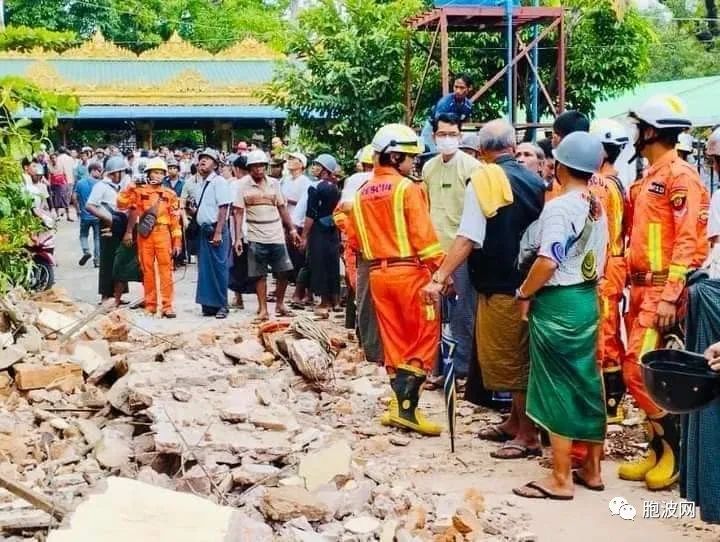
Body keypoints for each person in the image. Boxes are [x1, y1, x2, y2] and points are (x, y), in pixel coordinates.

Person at [421, 119, 545, 458]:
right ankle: (513, 422)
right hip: (527, 280)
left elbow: (469, 236)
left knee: (511, 360)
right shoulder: (535, 180)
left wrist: (440, 275)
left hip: (502, 284)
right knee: (515, 354)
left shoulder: (484, 179)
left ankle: (528, 435)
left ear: (482, 150)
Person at [619, 94, 710, 491]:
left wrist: (672, 294)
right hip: (640, 288)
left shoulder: (680, 177)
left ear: (652, 130)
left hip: (660, 290)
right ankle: (657, 450)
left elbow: (689, 241)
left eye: (639, 126)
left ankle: (672, 450)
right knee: (636, 368)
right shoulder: (648, 178)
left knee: (638, 370)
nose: (635, 133)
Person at [512, 131, 608, 500]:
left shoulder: (559, 207)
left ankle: (561, 477)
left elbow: (548, 260)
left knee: (556, 386)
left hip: (559, 303)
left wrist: (524, 292)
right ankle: (593, 470)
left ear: (560, 166)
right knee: (586, 381)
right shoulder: (597, 205)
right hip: (587, 299)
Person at [346, 123, 445, 436]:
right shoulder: (407, 189)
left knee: (395, 343)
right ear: (395, 156)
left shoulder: (360, 194)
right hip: (409, 274)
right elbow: (424, 237)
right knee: (423, 338)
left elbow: (354, 238)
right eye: (410, 158)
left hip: (377, 275)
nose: (412, 163)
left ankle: (399, 405)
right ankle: (408, 411)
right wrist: (441, 272)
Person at [422, 112, 481, 380]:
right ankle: (435, 368)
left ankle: (462, 370)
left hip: (462, 253)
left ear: (459, 135)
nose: (447, 139)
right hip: (434, 252)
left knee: (463, 314)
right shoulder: (429, 168)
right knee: (432, 313)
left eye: (452, 134)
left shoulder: (472, 167)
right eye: (442, 134)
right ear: (434, 137)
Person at [588, 119, 631, 423]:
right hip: (614, 262)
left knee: (604, 333)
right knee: (609, 329)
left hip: (606, 264)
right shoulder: (617, 182)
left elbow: (598, 231)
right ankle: (613, 401)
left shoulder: (601, 185)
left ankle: (610, 402)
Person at [233, 150, 300, 321]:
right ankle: (263, 309)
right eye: (255, 166)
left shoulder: (274, 184)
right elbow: (239, 212)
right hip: (256, 235)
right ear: (249, 168)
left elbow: (282, 207)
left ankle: (280, 304)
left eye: (261, 166)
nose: (259, 169)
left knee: (284, 271)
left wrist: (291, 229)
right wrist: (238, 237)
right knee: (259, 274)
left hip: (276, 233)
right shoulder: (242, 186)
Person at [334, 145, 383, 363]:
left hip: (360, 247)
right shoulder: (395, 183)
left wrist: (351, 232)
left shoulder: (355, 182)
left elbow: (340, 213)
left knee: (360, 294)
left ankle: (366, 343)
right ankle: (370, 345)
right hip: (374, 248)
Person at [118, 158, 182, 318]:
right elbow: (121, 203)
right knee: (147, 270)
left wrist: (177, 241)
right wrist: (131, 186)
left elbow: (175, 220)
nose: (158, 176)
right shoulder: (139, 192)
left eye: (161, 173)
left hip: (163, 233)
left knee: (166, 270)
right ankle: (150, 304)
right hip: (145, 234)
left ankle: (167, 306)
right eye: (155, 172)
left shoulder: (170, 194)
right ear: (148, 173)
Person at [85, 155, 134, 306]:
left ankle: (118, 294)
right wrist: (108, 218)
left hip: (121, 223)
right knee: (107, 260)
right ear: (114, 173)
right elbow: (90, 205)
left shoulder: (121, 187)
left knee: (121, 259)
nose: (123, 175)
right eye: (121, 172)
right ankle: (106, 295)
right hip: (108, 224)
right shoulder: (101, 186)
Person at [194, 148, 233, 318]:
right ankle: (209, 304)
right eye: (202, 158)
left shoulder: (219, 182)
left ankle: (222, 304)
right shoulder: (200, 183)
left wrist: (218, 232)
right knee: (205, 269)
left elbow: (224, 207)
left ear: (215, 165)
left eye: (208, 159)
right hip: (204, 230)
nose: (203, 161)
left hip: (216, 229)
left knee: (218, 267)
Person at [302, 154, 342, 317]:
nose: (314, 167)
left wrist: (304, 234)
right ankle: (336, 301)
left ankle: (324, 301)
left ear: (325, 169)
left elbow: (310, 213)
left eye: (318, 165)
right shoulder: (336, 188)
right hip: (333, 228)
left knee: (318, 263)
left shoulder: (315, 187)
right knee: (333, 262)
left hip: (319, 228)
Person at [421, 74, 474, 152]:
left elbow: (460, 124)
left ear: (469, 88)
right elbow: (437, 124)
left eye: (462, 88)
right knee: (432, 155)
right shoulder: (445, 103)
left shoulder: (468, 106)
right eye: (456, 87)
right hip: (433, 131)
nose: (458, 91)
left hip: (450, 133)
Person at [73, 162, 103, 268]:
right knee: (97, 238)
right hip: (97, 215)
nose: (100, 173)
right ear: (93, 170)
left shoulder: (80, 183)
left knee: (83, 235)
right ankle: (97, 260)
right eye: (99, 170)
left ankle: (86, 251)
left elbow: (74, 197)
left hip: (85, 215)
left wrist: (78, 210)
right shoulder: (100, 184)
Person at [48, 152, 72, 221]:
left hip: (62, 184)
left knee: (65, 199)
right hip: (54, 184)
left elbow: (65, 174)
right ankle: (58, 215)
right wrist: (50, 185)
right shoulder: (49, 166)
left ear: (57, 158)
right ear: (50, 159)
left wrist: (66, 183)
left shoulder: (61, 165)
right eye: (52, 158)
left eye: (54, 158)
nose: (53, 159)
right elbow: (49, 177)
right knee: (55, 200)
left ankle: (68, 216)